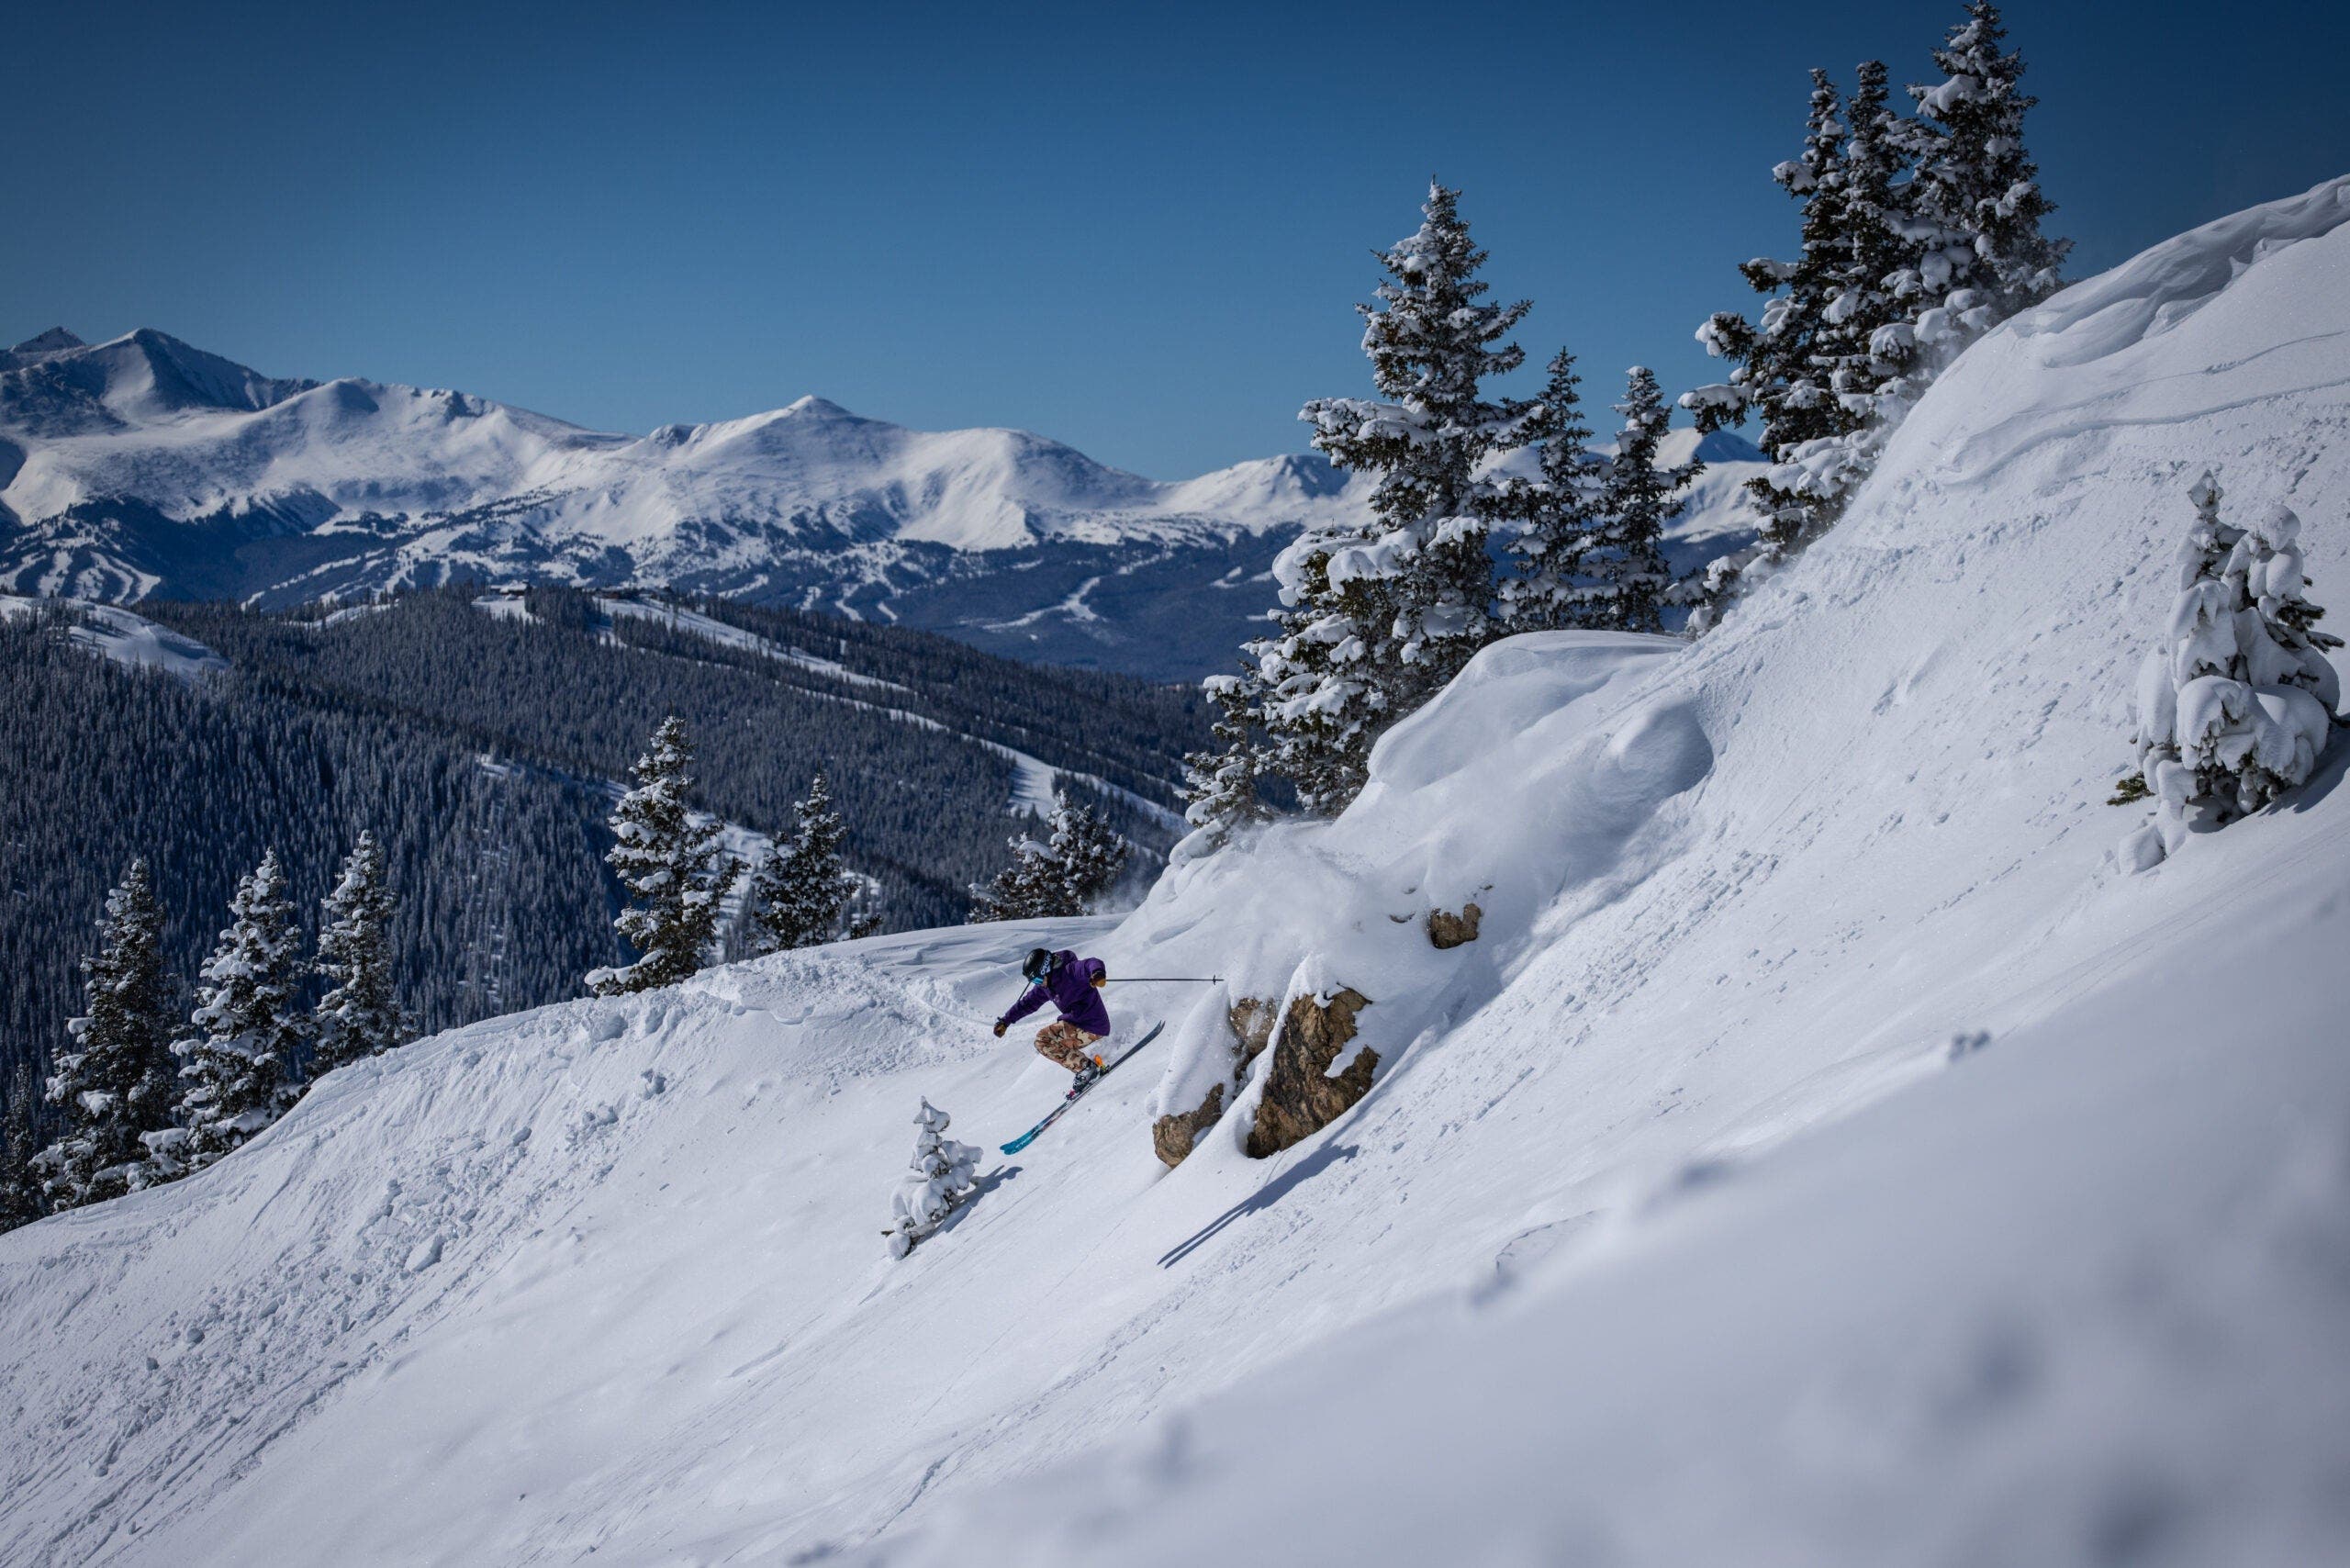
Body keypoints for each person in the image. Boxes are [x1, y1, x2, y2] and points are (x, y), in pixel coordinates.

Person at [993, 946, 1110, 1091]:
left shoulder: (1070, 971)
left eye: (1037, 979)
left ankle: (1086, 1069)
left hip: (1091, 1024)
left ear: (1045, 969)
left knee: (1043, 1040)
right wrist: (1006, 1021)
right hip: (1078, 1024)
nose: (1037, 983)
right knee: (1046, 1042)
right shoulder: (1046, 986)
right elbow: (1027, 1003)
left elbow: (1091, 963)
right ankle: (1086, 1066)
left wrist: (1097, 973)